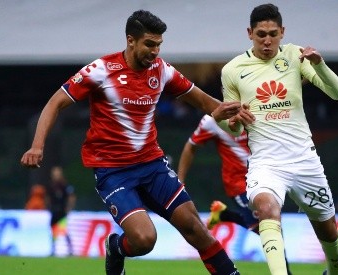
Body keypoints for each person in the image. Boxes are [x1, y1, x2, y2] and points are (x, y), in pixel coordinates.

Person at [20, 9, 253, 275]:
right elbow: (55, 103)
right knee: (144, 240)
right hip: (114, 173)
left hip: (152, 166)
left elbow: (203, 101)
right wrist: (37, 146)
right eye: (149, 44)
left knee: (196, 229)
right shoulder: (100, 70)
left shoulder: (162, 70)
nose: (155, 51)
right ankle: (116, 246)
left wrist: (226, 109)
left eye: (159, 45)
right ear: (131, 40)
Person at [221, 4, 338, 275]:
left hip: (304, 159)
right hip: (266, 162)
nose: (267, 40)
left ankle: (335, 272)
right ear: (249, 33)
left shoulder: (295, 56)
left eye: (273, 34)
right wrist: (232, 121)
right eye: (261, 34)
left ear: (282, 32)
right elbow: (231, 128)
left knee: (328, 232)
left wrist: (319, 64)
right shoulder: (232, 70)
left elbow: (337, 94)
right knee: (266, 208)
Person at [178, 114, 293, 275]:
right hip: (240, 184)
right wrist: (180, 181)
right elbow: (191, 146)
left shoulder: (257, 110)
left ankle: (225, 215)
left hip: (263, 178)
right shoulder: (212, 121)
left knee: (270, 228)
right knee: (271, 227)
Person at [47, 166, 76, 256]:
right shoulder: (50, 186)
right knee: (53, 231)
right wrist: (48, 207)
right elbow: (47, 198)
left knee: (63, 230)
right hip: (54, 211)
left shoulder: (65, 185)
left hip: (62, 212)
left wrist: (69, 208)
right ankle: (53, 249)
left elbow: (71, 197)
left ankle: (70, 249)